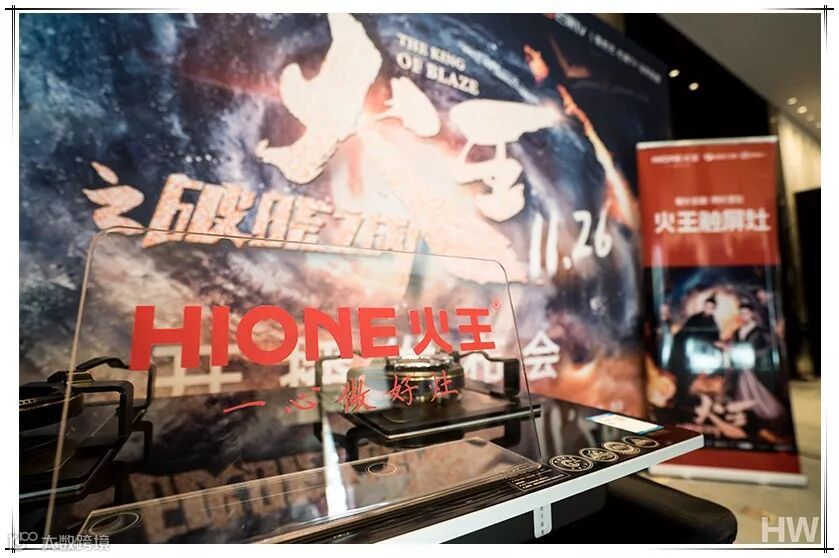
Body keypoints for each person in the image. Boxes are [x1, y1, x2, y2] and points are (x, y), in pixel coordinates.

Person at [667, 293, 722, 402]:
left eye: (711, 307)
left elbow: (714, 340)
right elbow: (685, 331)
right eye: (706, 306)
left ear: (714, 309)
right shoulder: (695, 318)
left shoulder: (713, 324)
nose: (708, 309)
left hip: (702, 355)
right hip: (688, 350)